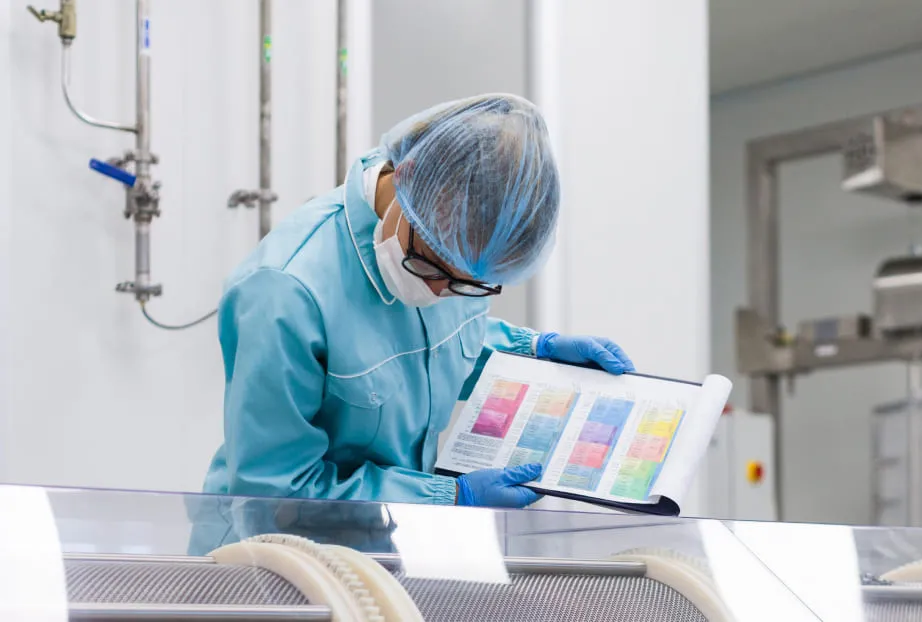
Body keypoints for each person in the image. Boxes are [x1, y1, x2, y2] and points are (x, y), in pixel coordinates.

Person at [188, 94, 633, 552]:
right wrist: (447, 498)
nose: (441, 294)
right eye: (434, 268)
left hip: (381, 548)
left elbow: (433, 347)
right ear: (408, 179)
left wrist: (534, 352)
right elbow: (273, 494)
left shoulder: (443, 248)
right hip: (271, 562)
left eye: (469, 285)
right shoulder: (284, 291)